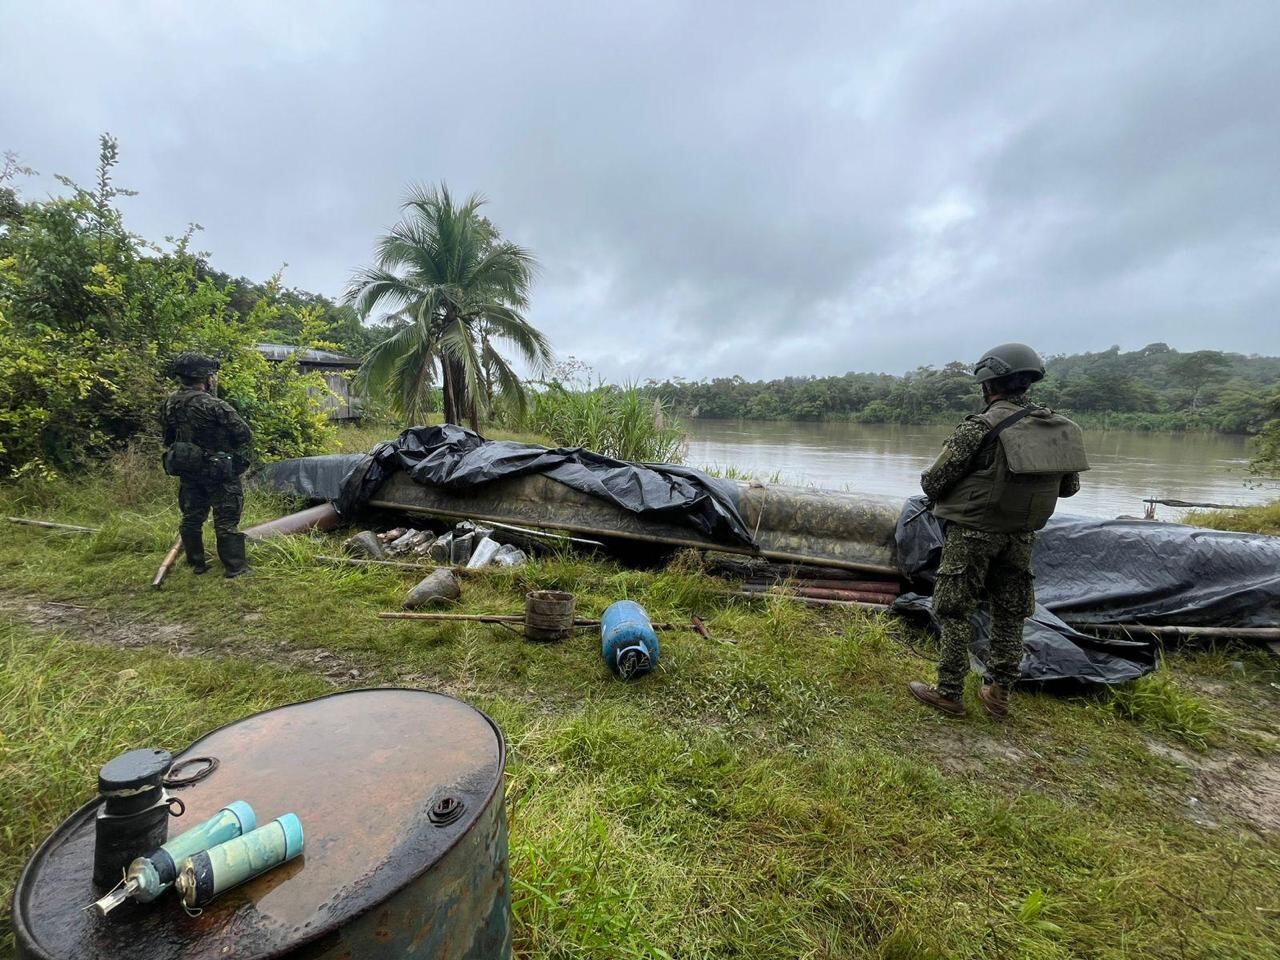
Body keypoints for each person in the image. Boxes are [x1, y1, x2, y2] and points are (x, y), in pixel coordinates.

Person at [909, 343, 1089, 718]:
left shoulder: (978, 427)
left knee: (953, 610)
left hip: (972, 533)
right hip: (1021, 535)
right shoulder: (1058, 428)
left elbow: (933, 482)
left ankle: (949, 692)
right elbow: (1069, 488)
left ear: (988, 385)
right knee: (1010, 613)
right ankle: (999, 692)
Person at [161, 353, 253, 578]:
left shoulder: (169, 404)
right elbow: (244, 434)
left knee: (192, 517)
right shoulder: (214, 405)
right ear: (205, 377)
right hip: (218, 470)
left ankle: (196, 562)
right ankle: (235, 567)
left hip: (189, 470)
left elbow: (168, 438)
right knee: (226, 518)